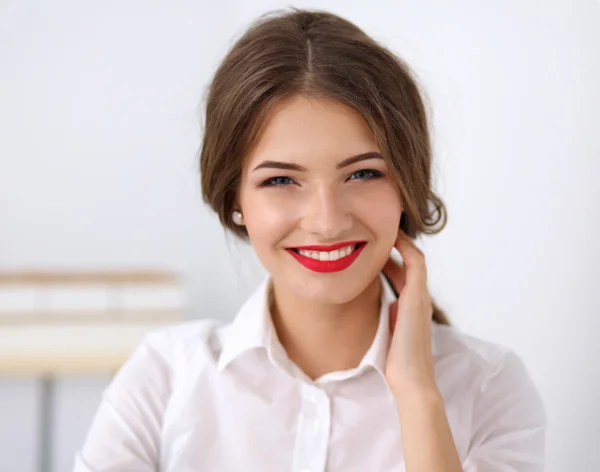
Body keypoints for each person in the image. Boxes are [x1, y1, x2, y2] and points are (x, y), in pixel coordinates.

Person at [73, 8, 546, 472]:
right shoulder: (164, 377)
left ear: (406, 186)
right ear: (234, 197)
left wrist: (418, 393)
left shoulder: (489, 386)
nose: (327, 221)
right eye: (281, 181)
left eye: (363, 173)